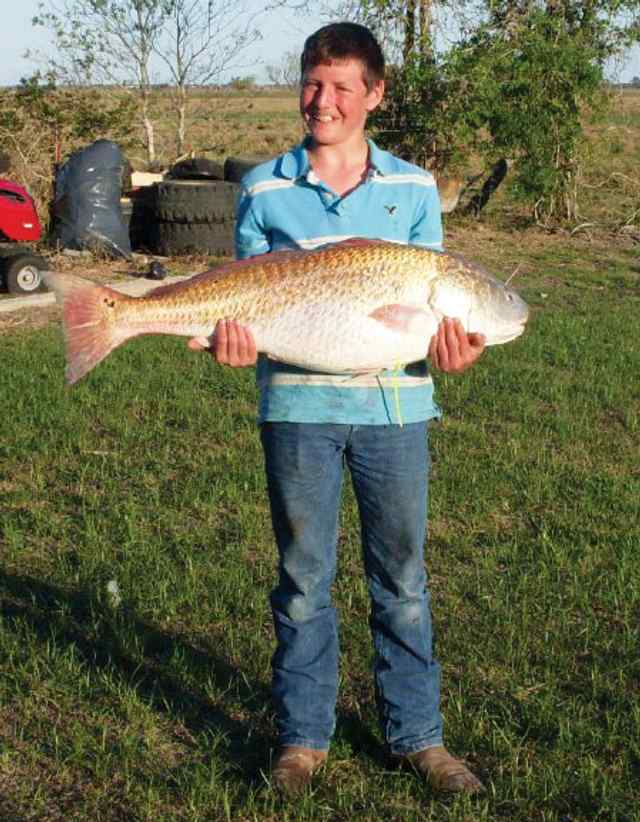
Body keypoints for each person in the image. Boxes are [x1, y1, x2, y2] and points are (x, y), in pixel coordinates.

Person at [189, 22, 485, 795]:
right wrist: (231, 341)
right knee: (302, 576)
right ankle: (302, 738)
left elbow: (432, 319)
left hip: (398, 417)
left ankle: (420, 737)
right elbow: (248, 299)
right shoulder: (263, 187)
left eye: (343, 87)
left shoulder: (415, 189)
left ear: (374, 95)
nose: (323, 101)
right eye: (313, 84)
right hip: (296, 408)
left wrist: (460, 347)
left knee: (405, 581)